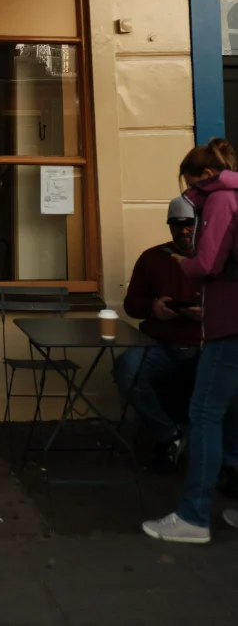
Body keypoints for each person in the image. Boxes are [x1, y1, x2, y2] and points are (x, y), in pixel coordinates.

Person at [143, 138, 238, 544]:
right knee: (234, 416)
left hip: (229, 325)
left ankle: (194, 517)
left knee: (204, 415)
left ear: (204, 176)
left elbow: (210, 261)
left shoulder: (220, 199)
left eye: (190, 186)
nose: (190, 200)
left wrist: (186, 263)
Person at [113, 196, 201, 473]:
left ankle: (227, 461)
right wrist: (153, 307)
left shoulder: (219, 259)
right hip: (160, 343)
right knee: (126, 369)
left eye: (189, 224)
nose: (183, 231)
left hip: (207, 345)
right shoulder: (153, 258)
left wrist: (211, 313)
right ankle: (170, 437)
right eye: (176, 225)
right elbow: (131, 304)